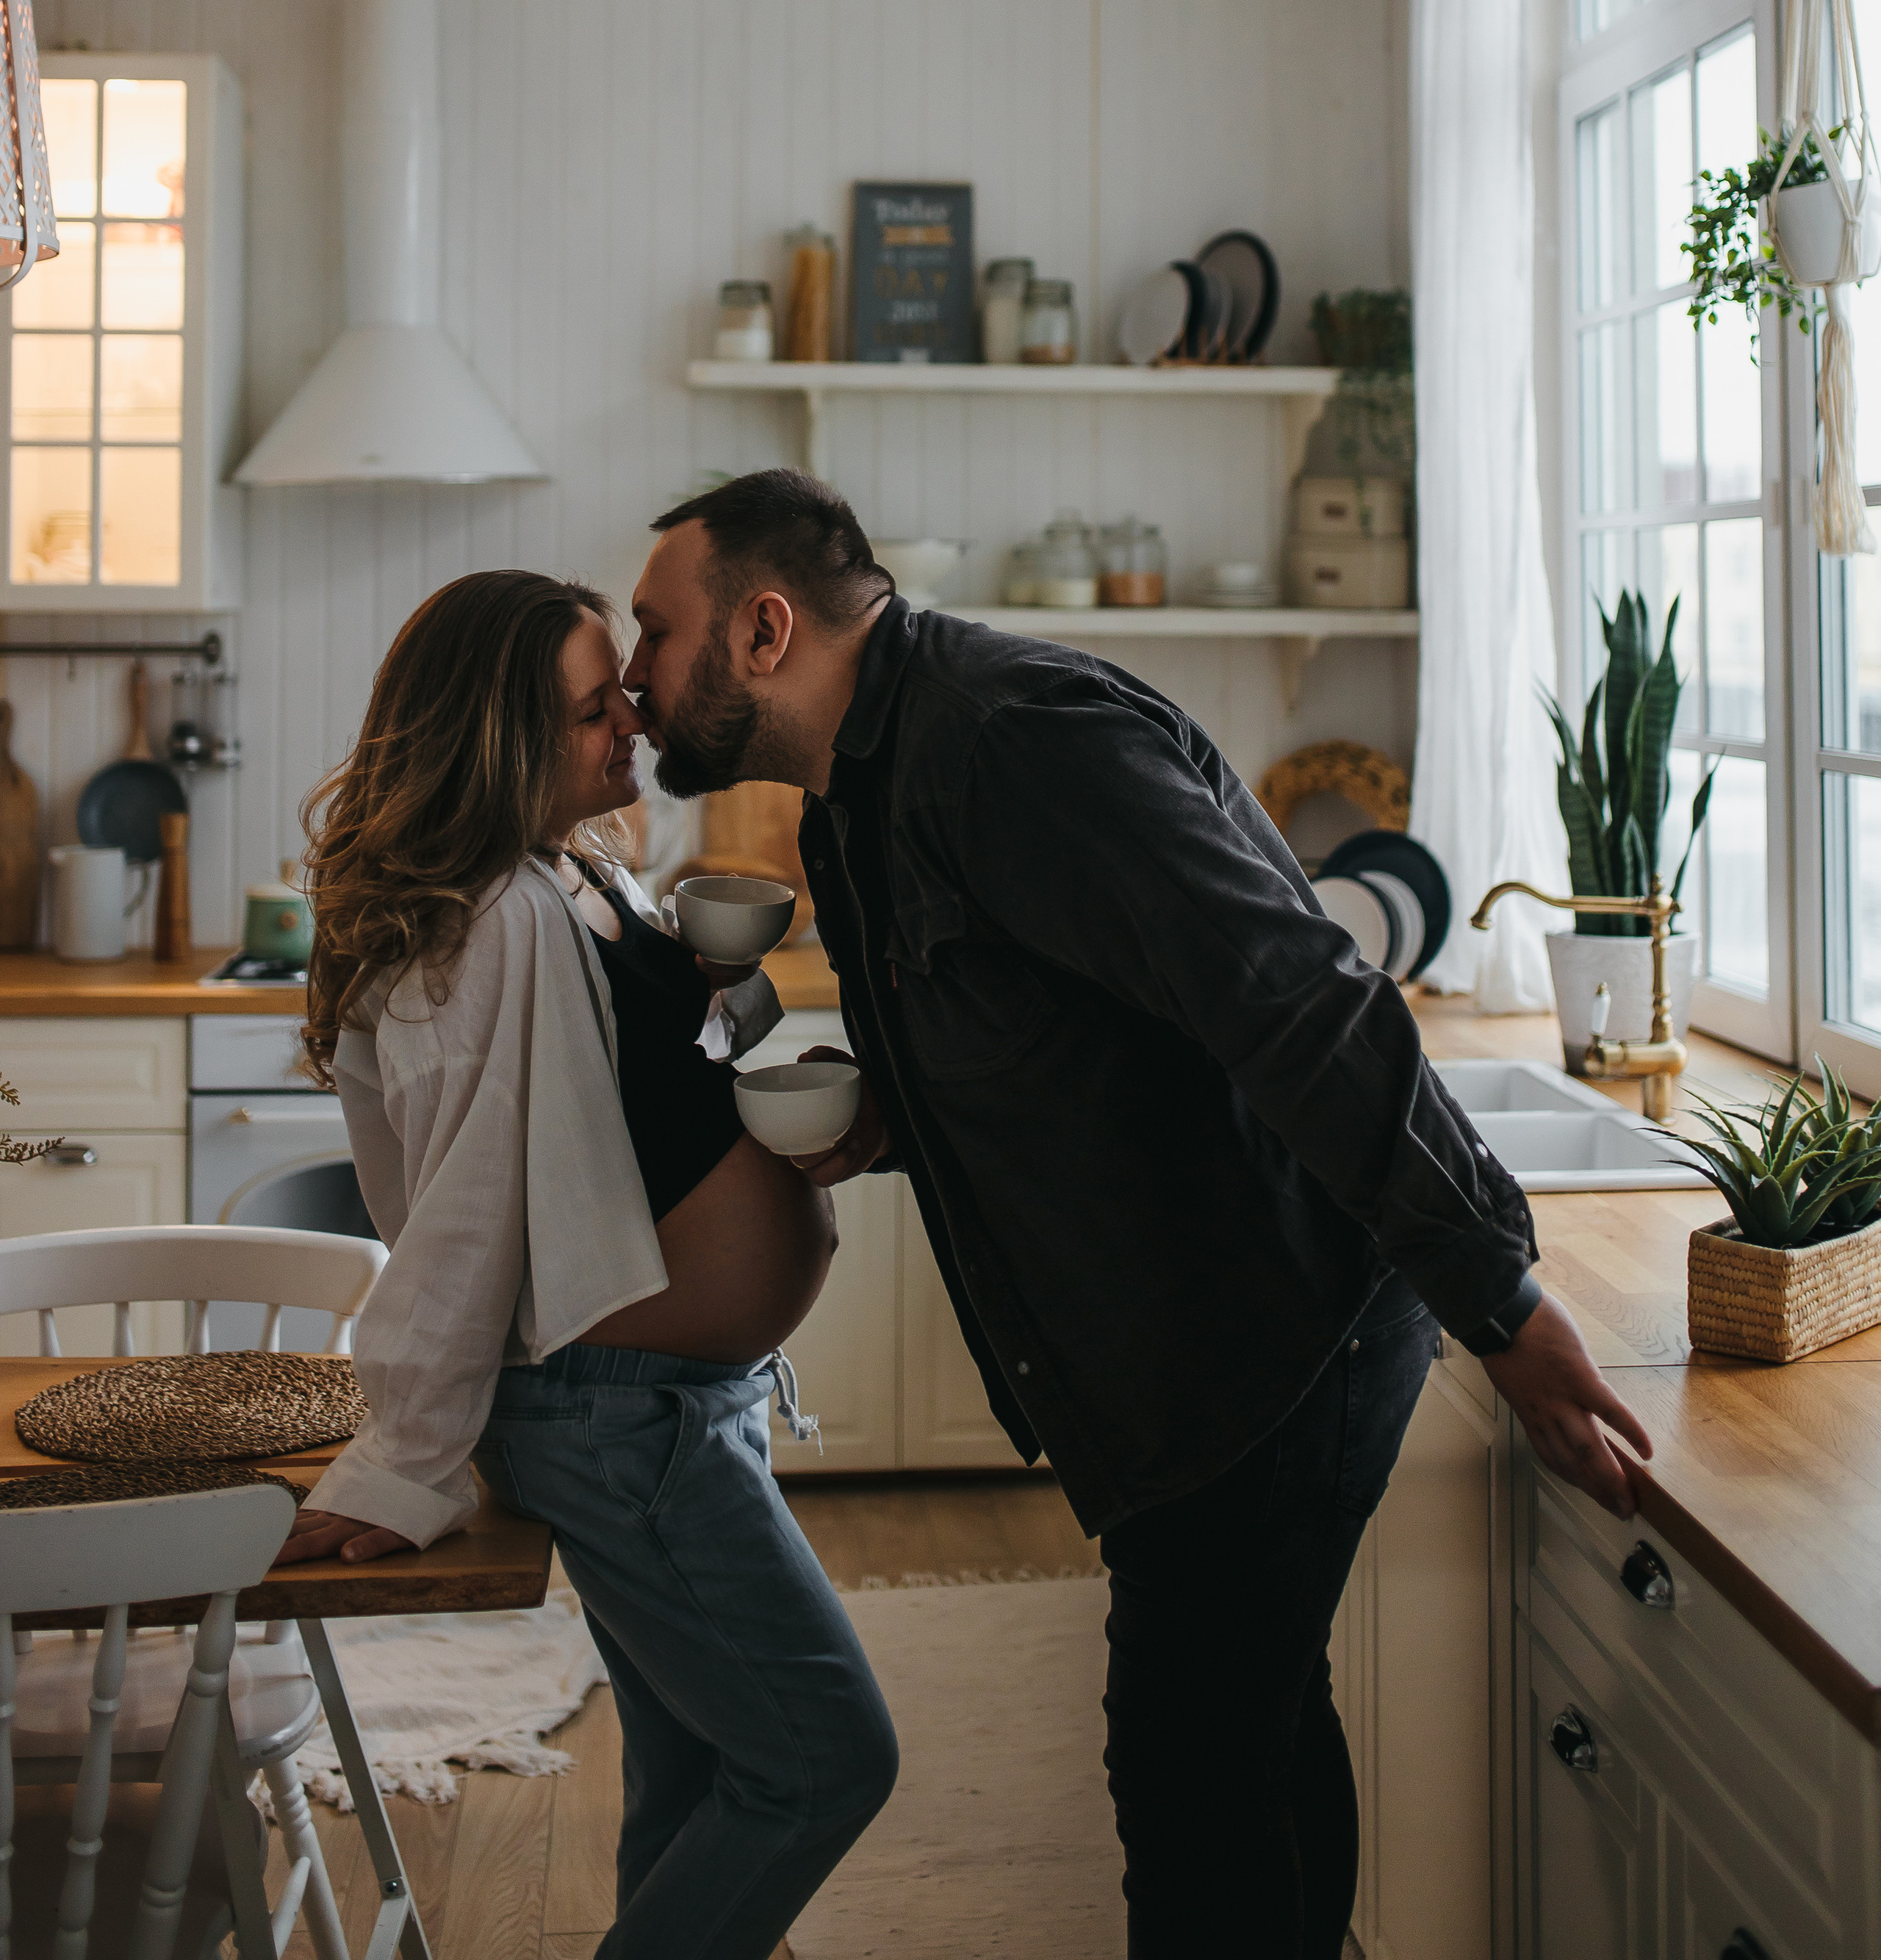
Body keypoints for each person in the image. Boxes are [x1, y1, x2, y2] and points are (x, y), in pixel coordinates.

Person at [622, 468, 1654, 1960]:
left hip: (1266, 1335)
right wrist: (884, 1119)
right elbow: (1050, 1016)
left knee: (1184, 1776)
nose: (641, 679)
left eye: (655, 635)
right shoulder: (855, 797)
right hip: (1177, 1347)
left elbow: (1299, 1001)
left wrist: (1500, 1302)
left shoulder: (1012, 742)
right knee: (1250, 1727)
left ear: (764, 628)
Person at [276, 569, 897, 1960]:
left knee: (693, 1770)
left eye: (618, 682)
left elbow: (632, 1109)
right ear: (492, 739)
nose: (630, 715)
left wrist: (720, 980)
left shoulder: (577, 873)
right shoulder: (492, 922)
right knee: (825, 1759)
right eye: (585, 708)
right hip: (622, 1418)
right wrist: (406, 1459)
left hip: (671, 1406)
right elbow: (469, 1215)